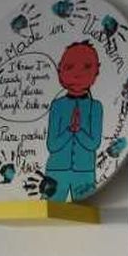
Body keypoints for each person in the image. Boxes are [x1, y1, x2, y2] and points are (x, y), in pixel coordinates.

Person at [44, 42, 104, 201]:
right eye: (69, 67)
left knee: (86, 211)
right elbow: (52, 145)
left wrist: (79, 131)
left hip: (85, 172)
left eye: (86, 67)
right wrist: (69, 130)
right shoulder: (57, 106)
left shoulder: (95, 107)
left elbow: (94, 144)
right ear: (60, 71)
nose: (78, 74)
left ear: (96, 71)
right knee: (51, 209)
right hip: (56, 170)